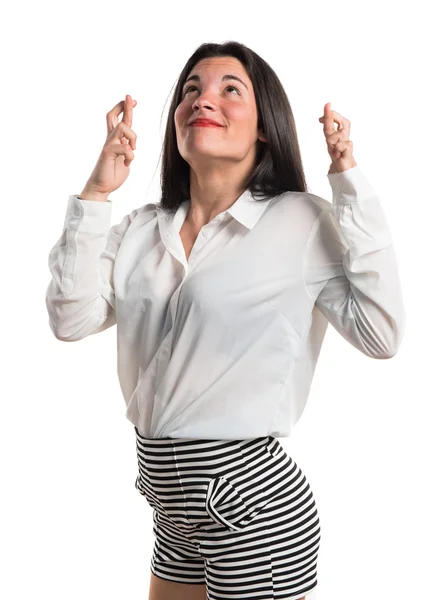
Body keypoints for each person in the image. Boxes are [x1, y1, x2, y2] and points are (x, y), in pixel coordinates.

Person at [45, 41, 406, 600]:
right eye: (192, 89)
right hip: (170, 508)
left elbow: (382, 334)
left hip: (252, 511)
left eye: (229, 89)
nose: (203, 99)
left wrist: (349, 181)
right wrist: (96, 194)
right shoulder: (143, 229)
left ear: (265, 127)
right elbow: (71, 320)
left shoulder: (300, 220)